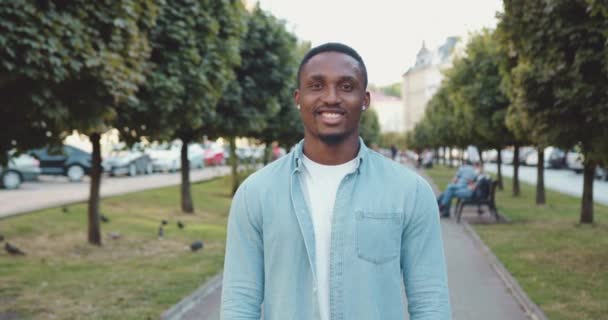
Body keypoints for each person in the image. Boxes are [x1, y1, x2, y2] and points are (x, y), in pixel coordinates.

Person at [221, 43, 451, 320]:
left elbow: (430, 302)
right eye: (316, 86)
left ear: (365, 100)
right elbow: (239, 302)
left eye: (346, 86)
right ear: (298, 97)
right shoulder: (255, 194)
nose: (331, 98)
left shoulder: (410, 192)